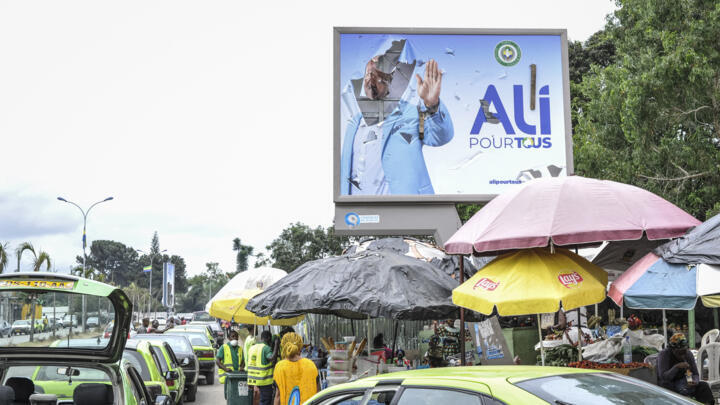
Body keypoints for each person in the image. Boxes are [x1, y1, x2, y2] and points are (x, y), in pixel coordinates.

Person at [340, 37, 454, 196]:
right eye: (367, 75)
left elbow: (441, 137)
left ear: (390, 80)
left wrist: (432, 105)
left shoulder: (413, 114)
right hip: (360, 216)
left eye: (377, 76)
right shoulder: (354, 124)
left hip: (406, 213)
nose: (369, 81)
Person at [657, 333, 714, 405]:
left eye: (684, 352)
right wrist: (676, 367)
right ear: (673, 350)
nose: (682, 356)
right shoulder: (664, 355)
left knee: (704, 386)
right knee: (666, 386)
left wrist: (694, 381)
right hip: (670, 383)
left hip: (684, 383)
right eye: (679, 353)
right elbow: (663, 377)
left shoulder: (688, 354)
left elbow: (695, 373)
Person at [273, 333, 319, 405]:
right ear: (300, 347)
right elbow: (318, 394)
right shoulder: (311, 365)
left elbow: (278, 396)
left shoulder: (280, 367)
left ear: (284, 346)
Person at [248, 331, 275, 405]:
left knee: (258, 400)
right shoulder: (266, 348)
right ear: (269, 338)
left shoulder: (252, 347)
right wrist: (276, 345)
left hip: (253, 379)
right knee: (265, 401)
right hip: (264, 380)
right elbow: (271, 358)